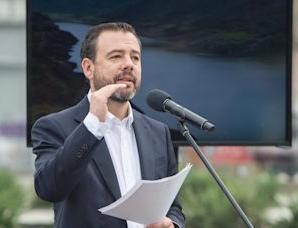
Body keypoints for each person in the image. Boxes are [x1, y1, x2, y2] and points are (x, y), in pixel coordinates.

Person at [31, 22, 185, 228]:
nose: (129, 64)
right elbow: (49, 189)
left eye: (135, 57)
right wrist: (92, 126)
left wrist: (172, 224)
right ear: (88, 68)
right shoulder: (54, 127)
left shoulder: (158, 132)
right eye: (116, 56)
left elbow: (173, 207)